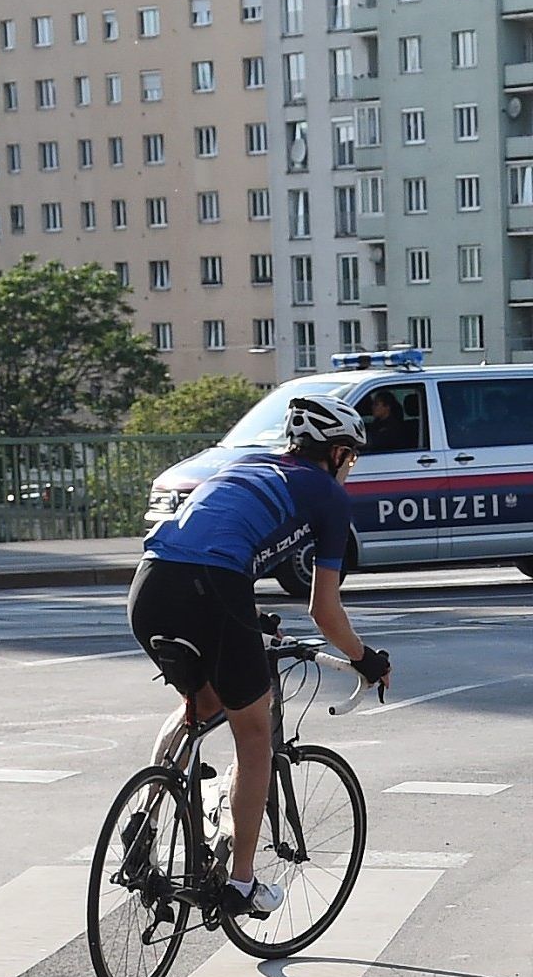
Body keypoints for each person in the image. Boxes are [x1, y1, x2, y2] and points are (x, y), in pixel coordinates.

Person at [127, 390, 392, 914]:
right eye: (352, 457)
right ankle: (242, 885)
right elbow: (324, 610)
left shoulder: (247, 466)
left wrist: (248, 618)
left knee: (201, 705)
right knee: (254, 736)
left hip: (149, 586)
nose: (351, 468)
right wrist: (366, 658)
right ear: (336, 453)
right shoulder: (329, 496)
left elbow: (215, 539)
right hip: (213, 587)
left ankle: (147, 817)